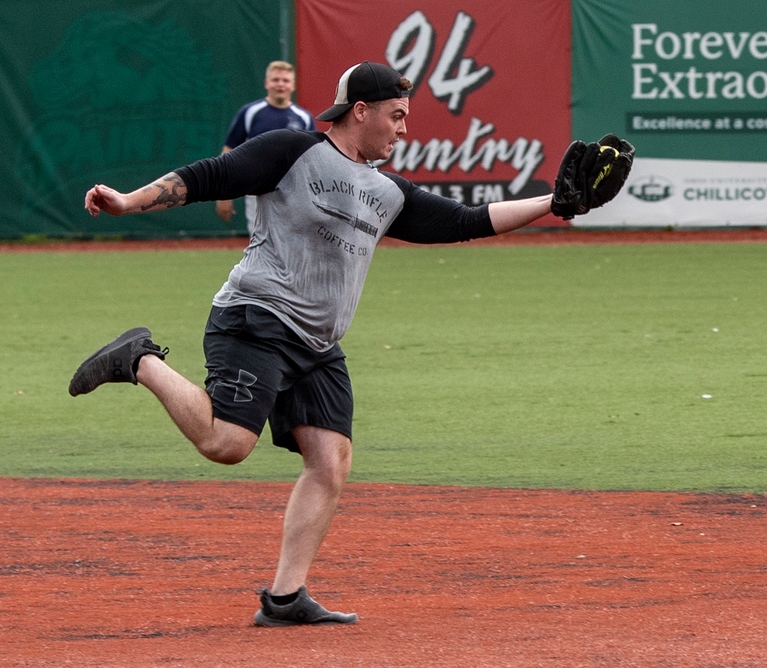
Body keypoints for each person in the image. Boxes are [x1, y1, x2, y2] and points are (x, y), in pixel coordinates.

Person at [71, 61, 628, 627]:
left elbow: (465, 220)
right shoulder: (291, 151)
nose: (404, 129)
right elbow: (208, 176)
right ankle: (136, 359)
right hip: (256, 318)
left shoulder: (387, 191)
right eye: (398, 115)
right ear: (361, 111)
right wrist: (127, 201)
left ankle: (286, 599)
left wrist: (553, 205)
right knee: (226, 444)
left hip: (317, 344)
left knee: (330, 463)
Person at [216, 60, 315, 232]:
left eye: (285, 81)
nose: (280, 85)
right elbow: (229, 153)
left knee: (292, 241)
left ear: (293, 85)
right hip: (257, 189)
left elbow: (314, 158)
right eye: (276, 80)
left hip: (293, 192)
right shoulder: (250, 113)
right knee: (258, 241)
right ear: (266, 83)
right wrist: (223, 193)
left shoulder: (303, 118)